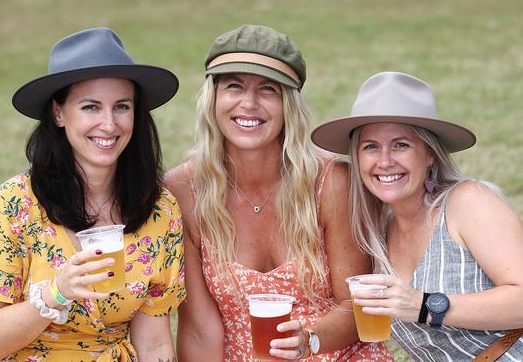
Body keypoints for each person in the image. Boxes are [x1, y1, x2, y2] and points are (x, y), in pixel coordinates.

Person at [311, 71, 523, 361]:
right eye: (371, 147)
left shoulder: (467, 202)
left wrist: (423, 306)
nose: (385, 161)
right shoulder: (376, 239)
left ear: (430, 153)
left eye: (401, 144)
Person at [165, 25, 393, 361]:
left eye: (268, 90)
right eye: (234, 86)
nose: (249, 103)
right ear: (213, 97)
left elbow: (354, 307)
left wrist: (310, 339)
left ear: (289, 104)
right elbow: (200, 330)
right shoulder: (183, 190)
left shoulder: (332, 182)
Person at [0, 27, 185, 361]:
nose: (109, 124)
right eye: (91, 107)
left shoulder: (159, 211)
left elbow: (153, 343)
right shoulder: (10, 206)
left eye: (122, 106)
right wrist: (55, 294)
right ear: (58, 113)